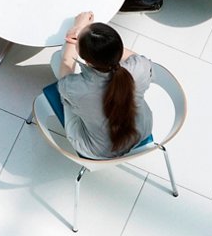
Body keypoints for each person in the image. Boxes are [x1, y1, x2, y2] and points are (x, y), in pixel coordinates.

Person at [37, 11, 153, 159]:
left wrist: (76, 30)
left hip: (99, 151)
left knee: (56, 59)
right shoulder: (139, 68)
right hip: (140, 131)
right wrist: (96, 37)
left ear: (88, 62)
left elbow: (65, 69)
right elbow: (134, 58)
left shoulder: (77, 89)